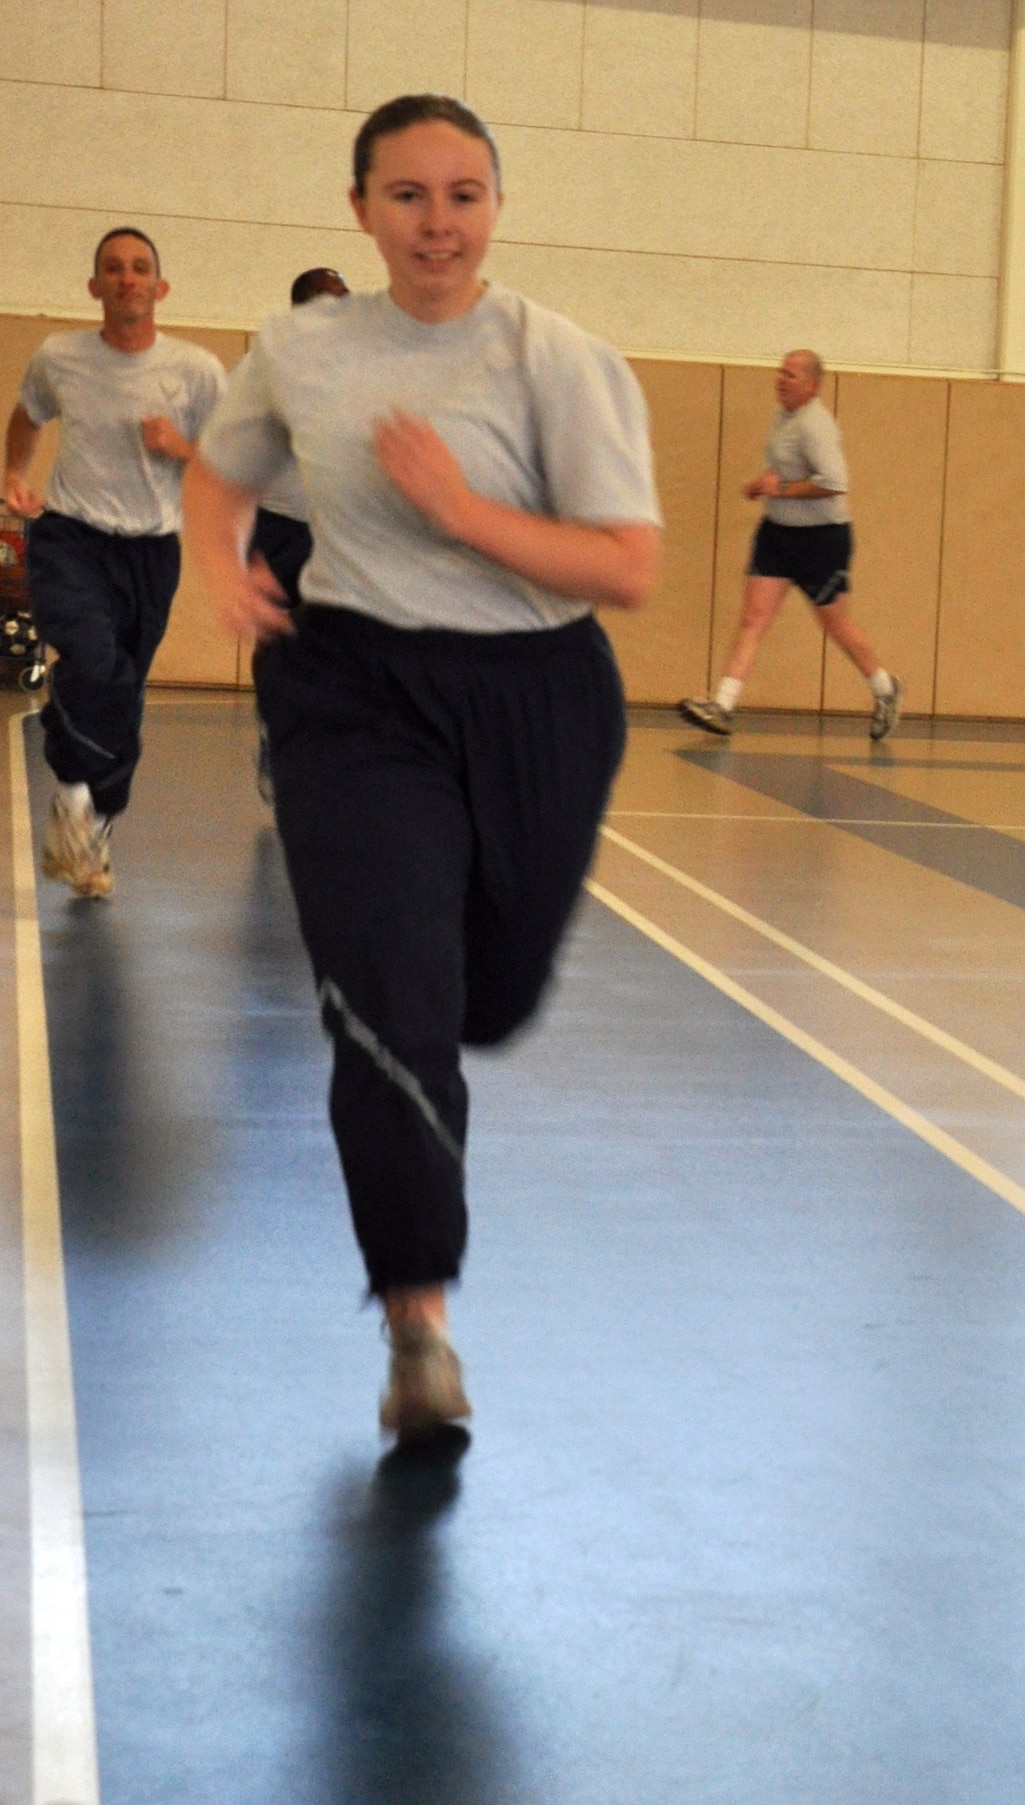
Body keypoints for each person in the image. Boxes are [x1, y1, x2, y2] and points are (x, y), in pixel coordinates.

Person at [184, 94, 660, 1439]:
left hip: (535, 696)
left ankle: (441, 1033)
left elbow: (626, 566)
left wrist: (463, 512)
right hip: (352, 691)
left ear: (497, 207)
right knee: (389, 1002)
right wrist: (218, 567)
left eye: (462, 194)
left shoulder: (559, 361)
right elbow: (221, 476)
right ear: (361, 211)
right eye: (407, 195)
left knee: (482, 1001)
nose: (436, 222)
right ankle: (418, 1328)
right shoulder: (301, 346)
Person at [3, 227, 227, 897]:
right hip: (71, 537)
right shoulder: (59, 356)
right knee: (94, 663)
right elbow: (27, 415)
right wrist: (15, 472)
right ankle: (71, 796)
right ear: (94, 286)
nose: (127, 278)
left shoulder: (195, 372)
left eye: (139, 268)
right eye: (113, 268)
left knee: (122, 695)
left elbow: (237, 457)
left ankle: (97, 826)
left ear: (160, 288)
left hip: (151, 552)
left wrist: (180, 445)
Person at [678, 349, 902, 740]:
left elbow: (834, 481)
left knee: (836, 625)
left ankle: (885, 689)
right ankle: (723, 706)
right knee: (753, 618)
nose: (781, 379)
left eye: (791, 375)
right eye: (780, 372)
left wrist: (780, 489)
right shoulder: (782, 417)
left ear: (811, 385)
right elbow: (783, 471)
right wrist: (762, 486)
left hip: (821, 541)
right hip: (777, 535)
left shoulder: (816, 425)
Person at [249, 266, 351, 801]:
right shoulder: (265, 367)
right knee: (276, 635)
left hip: (336, 527)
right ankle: (271, 731)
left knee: (336, 641)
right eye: (325, 303)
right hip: (274, 522)